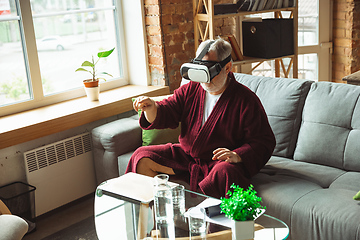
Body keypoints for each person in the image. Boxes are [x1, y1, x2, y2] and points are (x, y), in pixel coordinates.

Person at [126, 38, 276, 198]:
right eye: (201, 72)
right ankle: (153, 216)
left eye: (211, 73)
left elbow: (263, 141)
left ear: (227, 67)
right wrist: (151, 108)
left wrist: (237, 155)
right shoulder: (191, 89)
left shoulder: (245, 100)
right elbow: (168, 110)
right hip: (188, 158)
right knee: (141, 156)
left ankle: (217, 220)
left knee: (225, 172)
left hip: (219, 163)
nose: (206, 80)